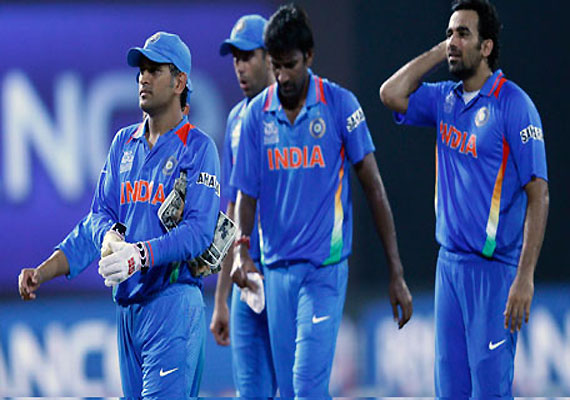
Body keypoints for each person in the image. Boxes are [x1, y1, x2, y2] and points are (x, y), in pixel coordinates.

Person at [19, 31, 221, 398]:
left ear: (179, 82)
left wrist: (139, 255)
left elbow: (199, 232)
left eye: (154, 70)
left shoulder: (198, 149)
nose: (143, 78)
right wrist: (45, 270)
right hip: (128, 309)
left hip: (173, 302)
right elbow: (97, 219)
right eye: (141, 70)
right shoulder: (123, 143)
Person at [230, 4, 413, 397]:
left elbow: (373, 187)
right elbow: (245, 195)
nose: (282, 76)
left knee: (306, 387)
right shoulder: (255, 117)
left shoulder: (340, 105)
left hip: (324, 269)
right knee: (288, 391)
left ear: (309, 56)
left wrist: (395, 272)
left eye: (290, 65)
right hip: (277, 271)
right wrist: (241, 251)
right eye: (276, 66)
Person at [379, 0, 549, 397]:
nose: (453, 41)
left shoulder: (514, 106)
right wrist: (443, 51)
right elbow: (390, 93)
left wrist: (524, 277)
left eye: (463, 34)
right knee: (450, 391)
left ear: (486, 47)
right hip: (449, 268)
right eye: (449, 33)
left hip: (495, 272)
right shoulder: (444, 99)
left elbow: (539, 194)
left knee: (490, 391)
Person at [209, 14, 277, 397]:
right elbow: (230, 212)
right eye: (235, 58)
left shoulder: (290, 112)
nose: (239, 66)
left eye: (247, 56)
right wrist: (220, 298)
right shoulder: (236, 119)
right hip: (245, 275)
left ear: (270, 57)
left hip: (287, 270)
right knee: (251, 392)